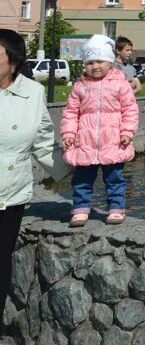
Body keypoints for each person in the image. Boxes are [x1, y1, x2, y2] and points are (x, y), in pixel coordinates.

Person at [0, 29, 56, 313]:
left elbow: (44, 139)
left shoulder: (32, 93)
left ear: (13, 62)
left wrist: (74, 170)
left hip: (9, 196)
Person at [61, 35, 139, 226]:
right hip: (85, 141)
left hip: (113, 141)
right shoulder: (80, 86)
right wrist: (69, 134)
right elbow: (71, 112)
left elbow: (130, 109)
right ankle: (80, 209)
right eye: (90, 62)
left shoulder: (120, 83)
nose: (95, 66)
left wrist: (127, 132)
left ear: (110, 62)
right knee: (81, 179)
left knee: (115, 179)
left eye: (100, 61)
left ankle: (116, 208)